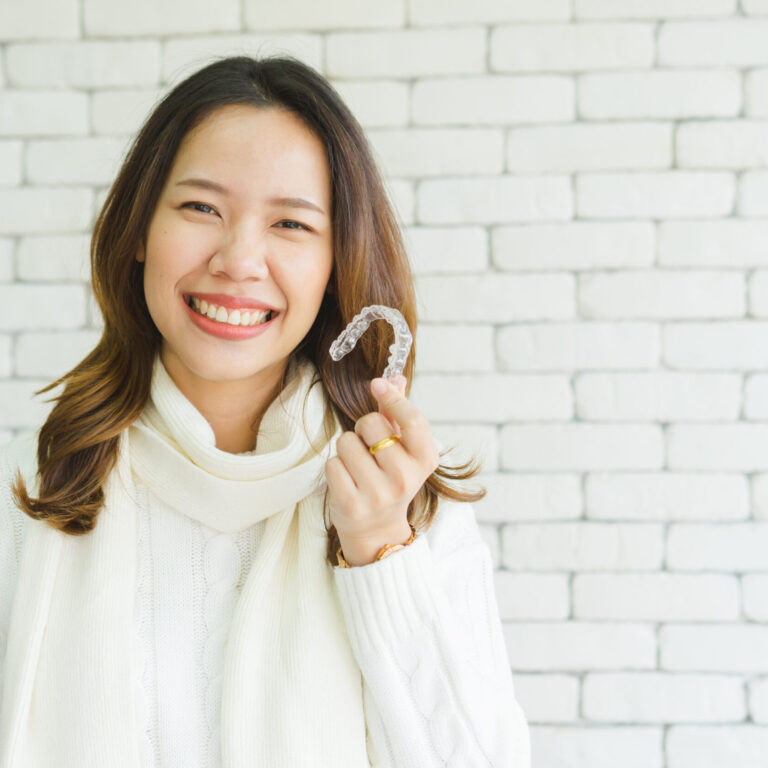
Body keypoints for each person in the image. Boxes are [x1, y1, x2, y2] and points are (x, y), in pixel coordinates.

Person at [0, 56, 530, 767]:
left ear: (336, 262)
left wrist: (380, 553)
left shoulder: (410, 510)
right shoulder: (28, 496)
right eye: (201, 208)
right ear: (139, 231)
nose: (240, 259)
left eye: (290, 223)